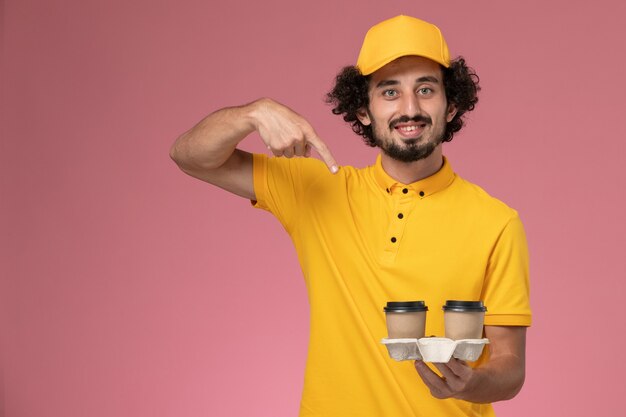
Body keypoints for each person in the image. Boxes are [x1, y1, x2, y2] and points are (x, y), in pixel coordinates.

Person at [170, 15, 531, 417]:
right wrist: (254, 113)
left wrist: (476, 383)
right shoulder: (316, 189)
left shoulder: (496, 222)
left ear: (452, 105)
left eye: (425, 89)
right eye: (389, 92)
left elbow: (510, 367)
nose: (409, 109)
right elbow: (189, 156)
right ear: (363, 110)